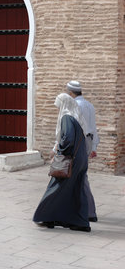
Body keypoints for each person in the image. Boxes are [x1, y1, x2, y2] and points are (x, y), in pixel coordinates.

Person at [33, 93, 91, 232]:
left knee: (56, 186)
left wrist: (60, 152)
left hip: (71, 161)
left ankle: (46, 217)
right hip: (81, 159)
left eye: (59, 106)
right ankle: (80, 222)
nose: (58, 110)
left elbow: (68, 139)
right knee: (77, 190)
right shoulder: (77, 118)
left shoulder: (66, 117)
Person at [66, 80, 99, 222]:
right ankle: (86, 210)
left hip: (79, 143)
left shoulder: (75, 106)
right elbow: (94, 127)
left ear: (71, 92)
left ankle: (88, 211)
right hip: (88, 141)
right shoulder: (89, 105)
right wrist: (94, 146)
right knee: (81, 175)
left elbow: (73, 129)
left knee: (79, 176)